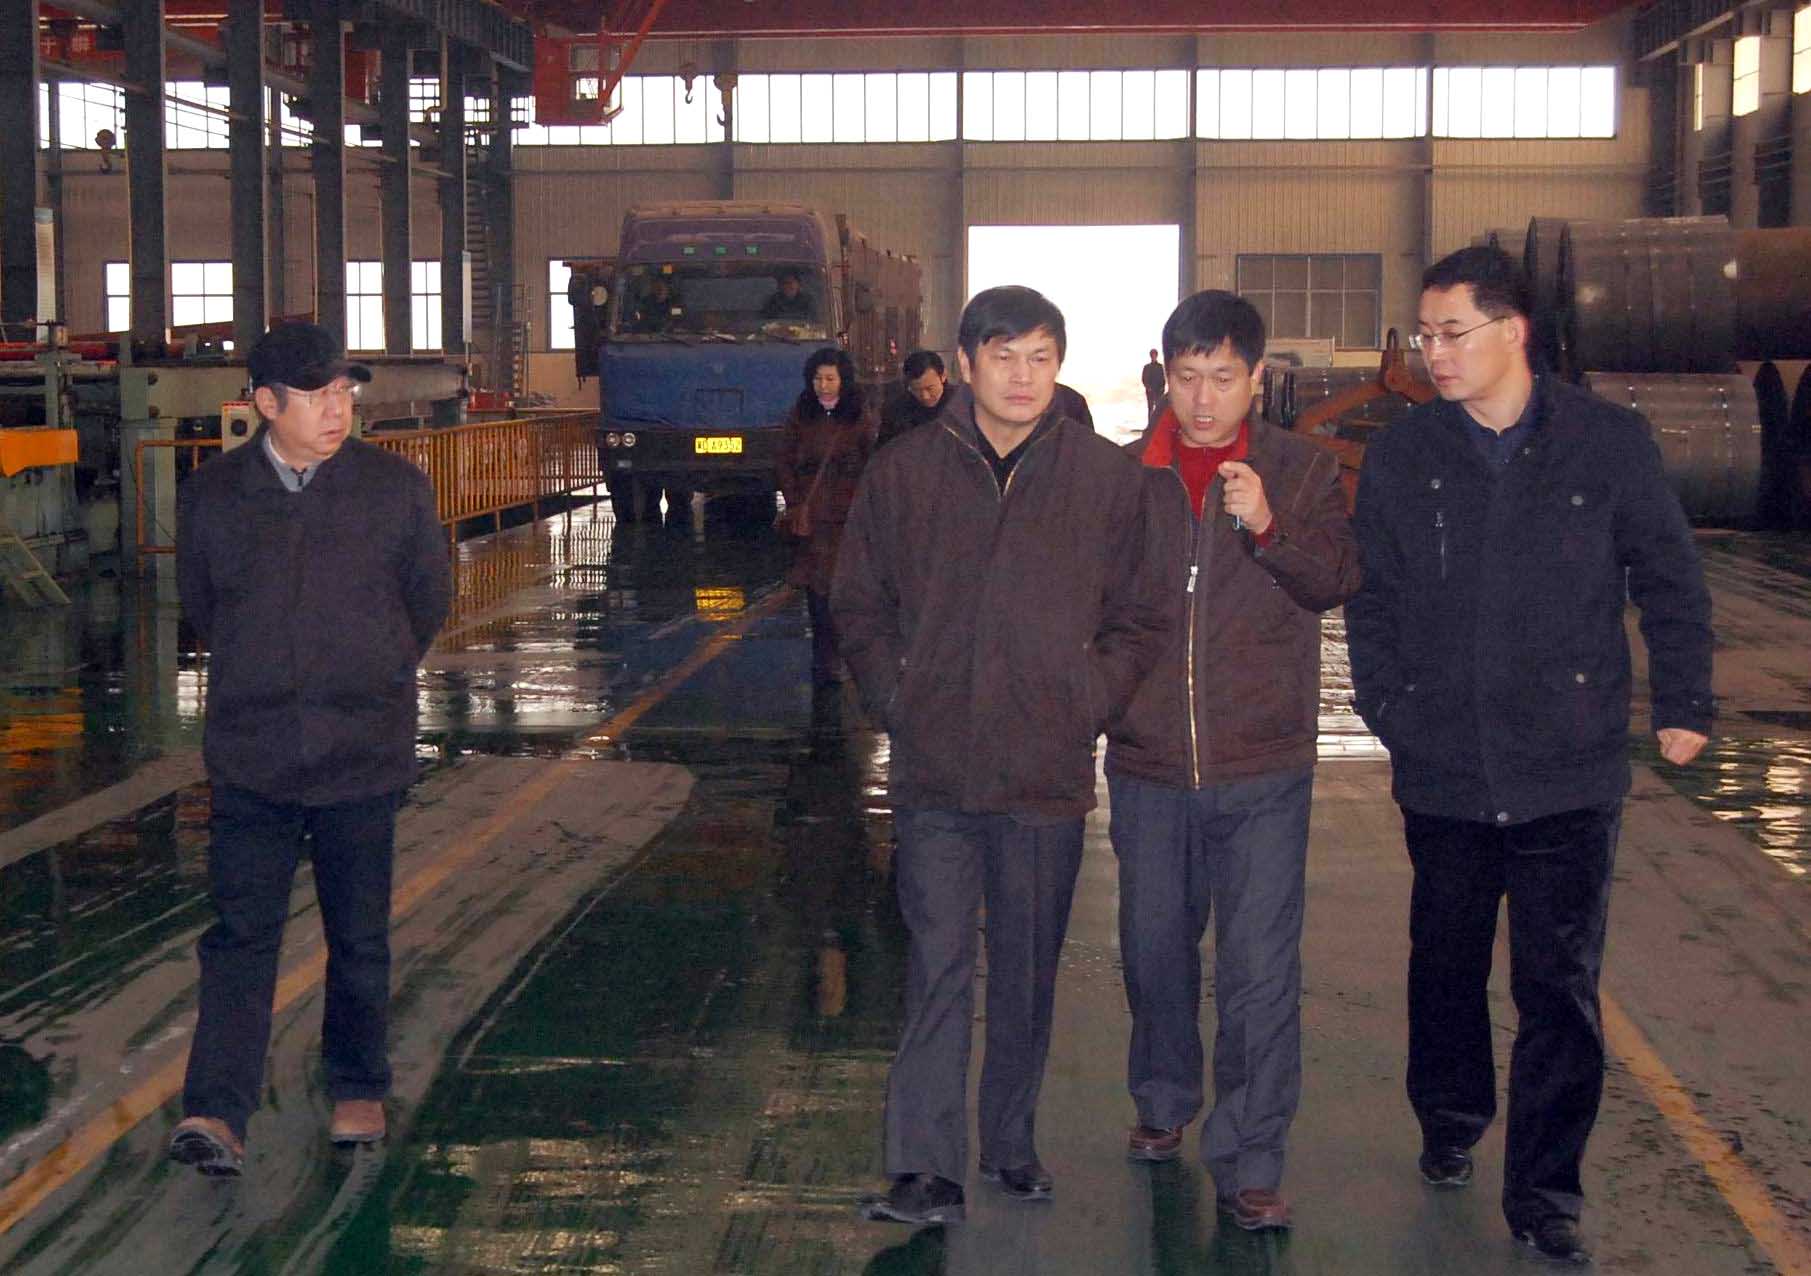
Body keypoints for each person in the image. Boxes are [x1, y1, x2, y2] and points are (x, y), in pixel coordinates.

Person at [1344, 246, 1713, 1265]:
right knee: (1446, 965)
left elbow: (1668, 576)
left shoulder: (1606, 442)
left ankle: (1545, 1192)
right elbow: (1372, 599)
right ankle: (1448, 1116)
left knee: (1557, 987)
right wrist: (1391, 708)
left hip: (1567, 769)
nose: (1432, 353)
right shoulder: (1405, 452)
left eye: (1449, 332)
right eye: (1424, 334)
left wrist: (1683, 697)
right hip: (1446, 768)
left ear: (1511, 331)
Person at [834, 285, 1169, 1226]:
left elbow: (1140, 616)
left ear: (1057, 365)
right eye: (1003, 356)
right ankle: (924, 1167)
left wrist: (1086, 700)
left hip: (1042, 772)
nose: (1022, 376)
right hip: (935, 768)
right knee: (937, 965)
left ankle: (1011, 1144)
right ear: (964, 363)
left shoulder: (1103, 480)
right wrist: (896, 698)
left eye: (1039, 357)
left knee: (1025, 971)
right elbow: (858, 602)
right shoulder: (904, 473)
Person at [168, 322, 452, 1176]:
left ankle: (357, 1085)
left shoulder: (393, 489)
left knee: (357, 934)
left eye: (344, 392)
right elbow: (203, 606)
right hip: (252, 752)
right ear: (265, 403)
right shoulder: (213, 495)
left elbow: (426, 602)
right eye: (317, 394)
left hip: (359, 750)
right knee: (240, 935)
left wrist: (368, 673)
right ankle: (217, 1110)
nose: (338, 409)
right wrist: (266, 673)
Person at [1106, 291, 1358, 1232]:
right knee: (1153, 950)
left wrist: (1267, 528)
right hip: (1148, 764)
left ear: (1257, 379)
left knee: (1259, 969)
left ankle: (1251, 1159)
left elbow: (1334, 580)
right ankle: (1162, 1097)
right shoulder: (1127, 477)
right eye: (1186, 378)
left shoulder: (1299, 470)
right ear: (1163, 378)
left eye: (1221, 378)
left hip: (1262, 766)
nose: (1203, 400)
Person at [775, 347, 875, 684]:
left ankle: (843, 650)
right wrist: (795, 502)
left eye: (830, 378)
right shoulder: (800, 414)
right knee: (817, 587)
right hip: (813, 518)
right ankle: (825, 655)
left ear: (843, 380)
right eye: (818, 378)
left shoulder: (858, 415)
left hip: (848, 517)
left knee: (844, 586)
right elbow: (784, 460)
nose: (823, 385)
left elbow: (872, 462)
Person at [877, 349, 949, 449]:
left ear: (943, 376)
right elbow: (884, 452)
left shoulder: (961, 404)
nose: (925, 396)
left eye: (930, 388)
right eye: (916, 390)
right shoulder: (896, 412)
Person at [1141, 347, 1166, 422]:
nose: (1153, 356)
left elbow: (1163, 379)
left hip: (1158, 391)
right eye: (1152, 355)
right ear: (1150, 356)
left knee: (1158, 408)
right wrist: (1148, 387)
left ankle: (1157, 424)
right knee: (1150, 408)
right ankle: (1150, 424)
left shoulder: (1160, 367)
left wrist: (1162, 388)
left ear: (1156, 356)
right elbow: (1144, 379)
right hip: (1150, 391)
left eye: (1154, 355)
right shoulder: (1147, 367)